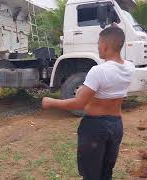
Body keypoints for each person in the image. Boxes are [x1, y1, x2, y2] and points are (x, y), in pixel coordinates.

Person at [42, 26, 135, 180]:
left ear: (105, 46)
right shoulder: (129, 68)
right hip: (116, 125)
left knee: (91, 174)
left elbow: (79, 103)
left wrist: (51, 102)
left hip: (95, 128)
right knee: (106, 172)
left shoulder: (98, 71)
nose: (98, 47)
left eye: (99, 44)